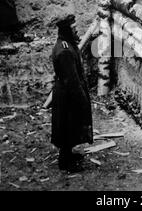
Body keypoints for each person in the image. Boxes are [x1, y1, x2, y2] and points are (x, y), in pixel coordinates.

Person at [50, 13, 93, 172]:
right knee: (67, 126)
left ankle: (68, 154)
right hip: (68, 95)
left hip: (65, 93)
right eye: (73, 29)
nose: (76, 31)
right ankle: (65, 162)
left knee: (70, 125)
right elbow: (72, 80)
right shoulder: (65, 51)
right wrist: (82, 100)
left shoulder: (65, 44)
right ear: (67, 30)